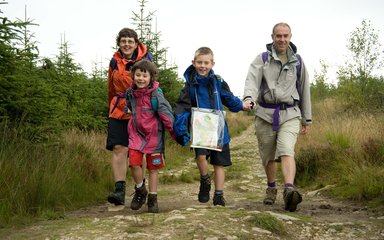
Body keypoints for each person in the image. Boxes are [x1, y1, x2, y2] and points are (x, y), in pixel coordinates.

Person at [243, 22, 312, 212]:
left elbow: (304, 89)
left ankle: (289, 190)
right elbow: (251, 82)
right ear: (272, 37)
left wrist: (306, 118)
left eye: (285, 36)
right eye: (278, 36)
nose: (282, 39)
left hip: (290, 113)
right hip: (265, 114)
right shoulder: (262, 59)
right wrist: (249, 98)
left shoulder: (298, 61)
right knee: (268, 155)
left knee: (286, 149)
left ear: (290, 37)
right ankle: (271, 188)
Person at [174, 47, 252, 206]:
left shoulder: (218, 81)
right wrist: (180, 126)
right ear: (193, 63)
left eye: (206, 63)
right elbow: (182, 106)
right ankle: (205, 180)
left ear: (212, 63)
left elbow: (228, 98)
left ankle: (219, 195)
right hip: (200, 126)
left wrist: (242, 105)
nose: (203, 66)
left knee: (219, 163)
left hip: (218, 128)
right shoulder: (190, 85)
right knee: (200, 157)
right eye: (199, 62)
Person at [106, 28, 152, 206]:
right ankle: (119, 191)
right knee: (119, 148)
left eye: (130, 41)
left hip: (141, 110)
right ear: (119, 43)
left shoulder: (146, 59)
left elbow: (152, 84)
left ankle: (140, 188)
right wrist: (111, 106)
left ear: (136, 43)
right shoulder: (114, 61)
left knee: (138, 152)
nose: (126, 44)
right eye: (123, 40)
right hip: (118, 109)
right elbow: (110, 86)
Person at [125, 59, 176, 213]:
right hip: (136, 134)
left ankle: (153, 198)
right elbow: (129, 107)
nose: (140, 78)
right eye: (138, 75)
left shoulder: (156, 95)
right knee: (134, 163)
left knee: (153, 168)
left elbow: (166, 114)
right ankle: (141, 190)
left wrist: (175, 132)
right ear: (133, 75)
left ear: (151, 77)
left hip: (154, 136)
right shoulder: (130, 93)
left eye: (144, 76)